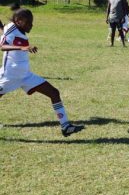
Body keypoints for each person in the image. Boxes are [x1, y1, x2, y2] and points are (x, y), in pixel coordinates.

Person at [0, 8, 84, 137]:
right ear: (18, 21)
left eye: (32, 22)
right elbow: (2, 46)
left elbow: (3, 30)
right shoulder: (12, 29)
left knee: (54, 93)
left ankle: (66, 126)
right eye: (28, 22)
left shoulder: (15, 28)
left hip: (26, 75)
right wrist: (23, 47)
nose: (31, 25)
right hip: (9, 75)